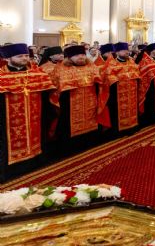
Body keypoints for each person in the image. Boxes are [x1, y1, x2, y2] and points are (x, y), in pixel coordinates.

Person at [0, 44, 55, 182]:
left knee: (36, 137)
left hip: (35, 117)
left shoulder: (38, 74)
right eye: (20, 56)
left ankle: (35, 163)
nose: (25, 58)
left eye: (26, 55)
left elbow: (48, 96)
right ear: (7, 59)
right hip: (8, 121)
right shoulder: (1, 76)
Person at [50, 45, 104, 154]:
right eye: (77, 55)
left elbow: (101, 83)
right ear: (69, 57)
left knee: (91, 122)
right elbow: (55, 87)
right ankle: (70, 148)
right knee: (68, 125)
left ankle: (90, 143)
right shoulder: (61, 69)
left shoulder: (92, 67)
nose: (81, 57)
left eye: (83, 54)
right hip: (69, 104)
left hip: (90, 101)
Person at [97, 42, 140, 137]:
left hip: (132, 92)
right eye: (123, 50)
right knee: (117, 113)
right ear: (117, 52)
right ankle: (118, 131)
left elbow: (137, 73)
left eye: (127, 50)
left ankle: (133, 126)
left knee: (132, 109)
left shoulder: (132, 62)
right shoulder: (111, 64)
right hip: (117, 94)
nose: (127, 52)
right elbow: (107, 77)